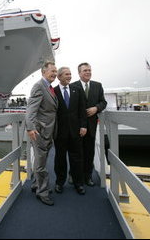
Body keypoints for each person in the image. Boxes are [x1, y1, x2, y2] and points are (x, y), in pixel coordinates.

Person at [25, 61, 58, 206]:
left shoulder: (49, 87)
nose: (55, 74)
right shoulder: (39, 86)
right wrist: (30, 128)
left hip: (48, 130)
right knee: (41, 164)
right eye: (52, 71)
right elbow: (31, 110)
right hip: (40, 131)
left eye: (56, 71)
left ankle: (35, 185)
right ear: (43, 72)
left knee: (40, 161)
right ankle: (42, 192)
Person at [53, 67, 87, 195]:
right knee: (60, 159)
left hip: (76, 131)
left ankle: (79, 183)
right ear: (59, 77)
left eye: (70, 74)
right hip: (60, 133)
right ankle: (59, 182)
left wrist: (83, 126)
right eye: (66, 74)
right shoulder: (53, 91)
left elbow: (82, 109)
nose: (69, 76)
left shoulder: (77, 89)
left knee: (77, 158)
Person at [72, 62, 107, 186]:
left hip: (91, 127)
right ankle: (74, 175)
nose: (88, 72)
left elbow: (103, 102)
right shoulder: (72, 86)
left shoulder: (98, 86)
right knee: (76, 153)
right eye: (85, 70)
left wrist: (96, 108)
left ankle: (88, 177)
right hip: (76, 127)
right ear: (79, 73)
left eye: (89, 70)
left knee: (89, 153)